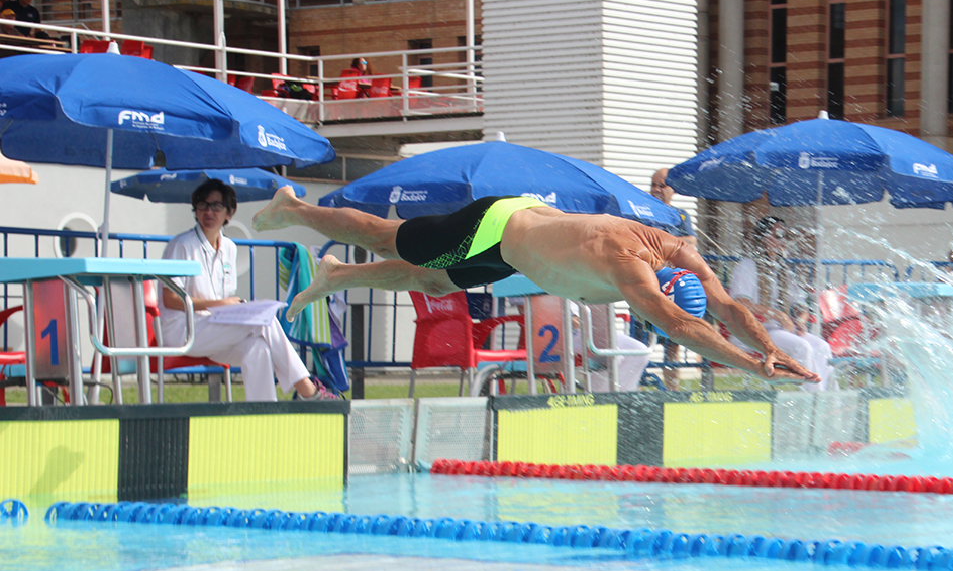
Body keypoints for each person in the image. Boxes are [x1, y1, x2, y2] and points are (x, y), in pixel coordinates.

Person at [252, 187, 818, 384]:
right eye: (658, 299)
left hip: (513, 244)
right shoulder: (629, 267)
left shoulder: (681, 252)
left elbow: (724, 307)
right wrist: (749, 367)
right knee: (387, 238)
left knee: (426, 279)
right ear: (660, 286)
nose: (655, 306)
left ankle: (335, 276)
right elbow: (684, 325)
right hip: (493, 227)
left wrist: (767, 348)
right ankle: (297, 207)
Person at [160, 180, 338, 401]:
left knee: (258, 348)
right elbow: (170, 299)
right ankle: (308, 391)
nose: (209, 211)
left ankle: (264, 416)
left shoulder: (229, 248)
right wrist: (219, 305)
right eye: (203, 205)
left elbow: (222, 298)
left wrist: (231, 307)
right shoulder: (182, 245)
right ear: (195, 210)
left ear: (229, 212)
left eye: (216, 206)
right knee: (265, 320)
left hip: (213, 330)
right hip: (183, 331)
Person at [727, 216, 836, 392]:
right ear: (763, 238)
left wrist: (800, 320)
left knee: (822, 347)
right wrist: (778, 315)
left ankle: (831, 402)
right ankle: (814, 403)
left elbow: (800, 304)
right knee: (802, 347)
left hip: (778, 331)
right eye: (778, 235)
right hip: (751, 331)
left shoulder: (782, 270)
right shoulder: (747, 266)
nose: (783, 240)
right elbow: (741, 303)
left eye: (785, 235)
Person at [649, 167, 699, 389]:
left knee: (674, 341)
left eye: (662, 185)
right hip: (648, 281)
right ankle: (635, 387)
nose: (657, 190)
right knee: (643, 339)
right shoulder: (643, 211)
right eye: (654, 184)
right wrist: (673, 244)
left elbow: (691, 242)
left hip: (671, 283)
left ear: (673, 190)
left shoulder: (680, 215)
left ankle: (672, 389)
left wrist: (664, 243)